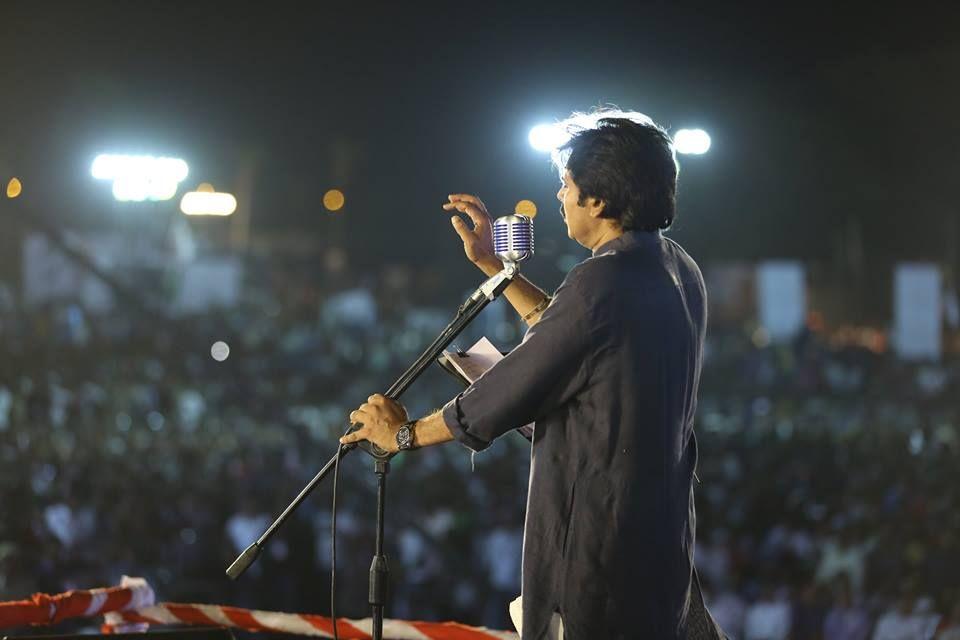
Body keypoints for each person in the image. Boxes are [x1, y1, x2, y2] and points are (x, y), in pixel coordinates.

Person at [342, 109, 724, 639]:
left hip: (597, 549)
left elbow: (494, 401)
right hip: (657, 544)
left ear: (598, 199)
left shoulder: (601, 279)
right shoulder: (677, 267)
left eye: (566, 186)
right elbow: (572, 335)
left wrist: (402, 434)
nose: (559, 198)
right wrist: (497, 268)